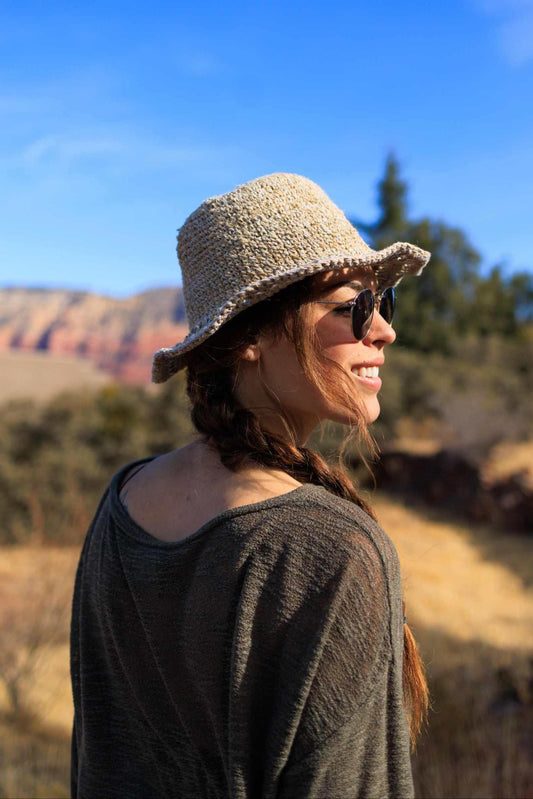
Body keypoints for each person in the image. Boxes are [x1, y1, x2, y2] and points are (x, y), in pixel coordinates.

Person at [70, 172, 430, 798]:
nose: (384, 331)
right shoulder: (332, 551)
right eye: (355, 308)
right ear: (249, 340)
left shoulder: (122, 500)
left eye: (385, 304)